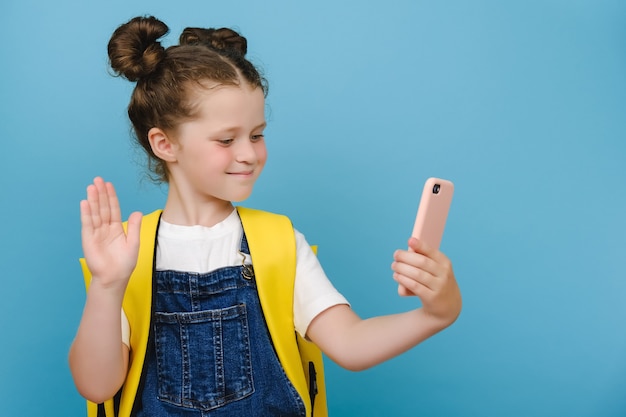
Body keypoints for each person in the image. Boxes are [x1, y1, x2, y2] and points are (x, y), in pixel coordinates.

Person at [69, 15, 462, 417]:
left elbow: (351, 343)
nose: (249, 153)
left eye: (257, 134)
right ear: (165, 143)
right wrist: (106, 286)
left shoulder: (278, 242)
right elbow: (97, 387)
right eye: (227, 139)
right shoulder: (125, 254)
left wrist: (435, 315)